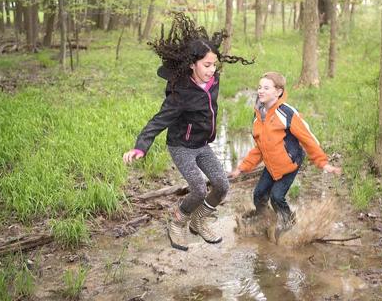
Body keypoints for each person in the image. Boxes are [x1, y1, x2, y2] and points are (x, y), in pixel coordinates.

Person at [123, 13, 252, 251]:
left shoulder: (214, 80)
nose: (212, 70)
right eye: (206, 65)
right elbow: (158, 120)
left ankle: (198, 220)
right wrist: (141, 146)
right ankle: (177, 222)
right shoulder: (180, 92)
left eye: (214, 64)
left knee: (222, 185)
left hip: (201, 144)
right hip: (181, 145)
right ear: (192, 64)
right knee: (199, 188)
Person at [230, 72, 341, 238]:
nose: (260, 91)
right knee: (259, 194)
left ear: (278, 92)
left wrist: (323, 163)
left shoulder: (287, 113)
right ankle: (265, 219)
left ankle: (288, 220)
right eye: (259, 87)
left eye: (266, 88)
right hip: (271, 164)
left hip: (289, 164)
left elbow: (308, 139)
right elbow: (258, 148)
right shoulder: (258, 115)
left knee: (276, 196)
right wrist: (242, 168)